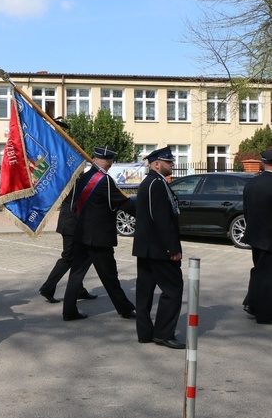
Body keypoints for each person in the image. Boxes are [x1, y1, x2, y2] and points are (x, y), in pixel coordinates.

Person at [62, 146, 136, 321]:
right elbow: (122, 204)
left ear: (95, 159)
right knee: (110, 276)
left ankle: (69, 311)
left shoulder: (83, 178)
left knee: (76, 274)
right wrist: (142, 212)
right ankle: (125, 310)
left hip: (81, 233)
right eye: (111, 161)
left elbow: (73, 205)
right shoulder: (105, 181)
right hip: (99, 238)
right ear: (110, 162)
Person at [132, 147, 185, 348]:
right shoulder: (156, 184)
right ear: (156, 164)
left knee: (145, 291)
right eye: (168, 162)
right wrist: (172, 249)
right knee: (173, 289)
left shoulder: (153, 182)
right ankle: (163, 333)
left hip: (147, 247)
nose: (172, 165)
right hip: (158, 249)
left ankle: (145, 333)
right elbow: (161, 220)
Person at [38, 190, 97, 303]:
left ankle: (79, 290)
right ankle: (47, 288)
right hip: (71, 225)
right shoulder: (74, 180)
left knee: (78, 258)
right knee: (68, 258)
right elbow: (75, 204)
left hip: (71, 224)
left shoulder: (72, 178)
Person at [240, 149, 272, 325]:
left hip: (255, 235)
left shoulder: (252, 184)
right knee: (267, 276)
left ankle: (251, 302)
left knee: (260, 271)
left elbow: (246, 210)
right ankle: (264, 314)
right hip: (269, 238)